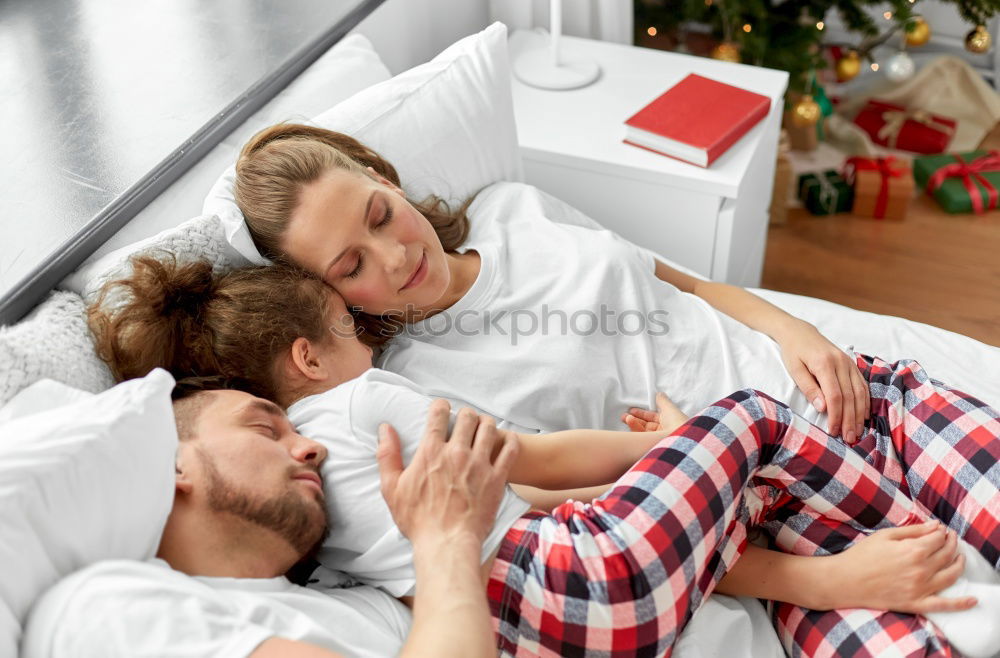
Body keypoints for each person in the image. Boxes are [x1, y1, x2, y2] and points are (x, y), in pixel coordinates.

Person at [230, 123, 1000, 653]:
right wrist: (826, 584)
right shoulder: (417, 394)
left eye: (379, 217)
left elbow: (690, 285)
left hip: (861, 410)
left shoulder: (513, 208)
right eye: (350, 266)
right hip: (771, 529)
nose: (392, 258)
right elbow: (603, 521)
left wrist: (798, 333)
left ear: (383, 176)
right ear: (325, 299)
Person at [88, 256, 1000, 658]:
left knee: (743, 498)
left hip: (547, 626)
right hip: (571, 575)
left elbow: (524, 500)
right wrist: (675, 445)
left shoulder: (321, 534)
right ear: (310, 358)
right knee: (755, 421)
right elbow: (541, 459)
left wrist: (655, 478)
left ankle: (915, 588)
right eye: (348, 326)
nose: (373, 341)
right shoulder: (361, 402)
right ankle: (926, 547)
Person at [21, 378, 520, 658]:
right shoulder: (105, 608)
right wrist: (446, 535)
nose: (313, 448)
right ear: (172, 463)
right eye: (265, 429)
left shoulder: (369, 607)